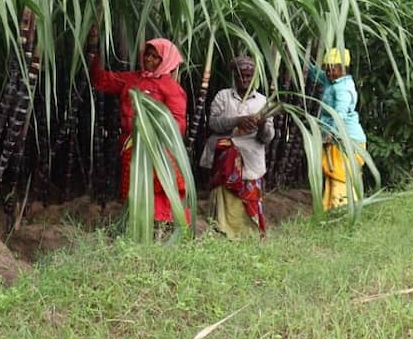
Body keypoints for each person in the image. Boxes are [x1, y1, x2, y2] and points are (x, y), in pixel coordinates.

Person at [89, 35, 188, 223]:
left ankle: (161, 222)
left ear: (165, 61)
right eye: (147, 55)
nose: (149, 60)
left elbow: (177, 123)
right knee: (135, 182)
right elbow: (101, 80)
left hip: (159, 145)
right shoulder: (131, 79)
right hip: (131, 142)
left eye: (155, 57)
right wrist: (94, 52)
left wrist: (154, 132)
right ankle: (137, 221)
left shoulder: (172, 88)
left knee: (160, 184)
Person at [199, 56, 274, 238]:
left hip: (251, 157)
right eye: (241, 76)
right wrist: (237, 121)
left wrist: (262, 124)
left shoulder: (263, 102)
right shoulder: (223, 97)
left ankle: (247, 232)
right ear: (234, 76)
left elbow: (268, 137)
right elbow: (213, 123)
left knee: (247, 198)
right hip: (226, 155)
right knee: (225, 197)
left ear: (254, 78)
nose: (244, 80)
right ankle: (223, 228)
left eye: (248, 76)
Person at [307, 47, 367, 211]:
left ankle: (342, 209)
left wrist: (330, 133)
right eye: (327, 67)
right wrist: (300, 57)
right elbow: (316, 74)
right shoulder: (332, 81)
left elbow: (339, 114)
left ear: (342, 68)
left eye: (332, 68)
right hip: (336, 138)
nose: (328, 71)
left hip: (346, 140)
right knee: (333, 173)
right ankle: (331, 208)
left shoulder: (344, 88)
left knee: (340, 174)